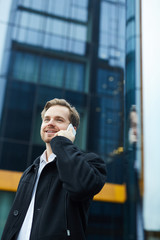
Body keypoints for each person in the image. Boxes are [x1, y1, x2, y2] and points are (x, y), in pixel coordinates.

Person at [2, 98, 107, 240]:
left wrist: (62, 143)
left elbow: (81, 186)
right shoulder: (30, 171)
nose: (50, 123)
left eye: (59, 120)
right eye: (46, 119)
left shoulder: (90, 162)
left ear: (72, 130)